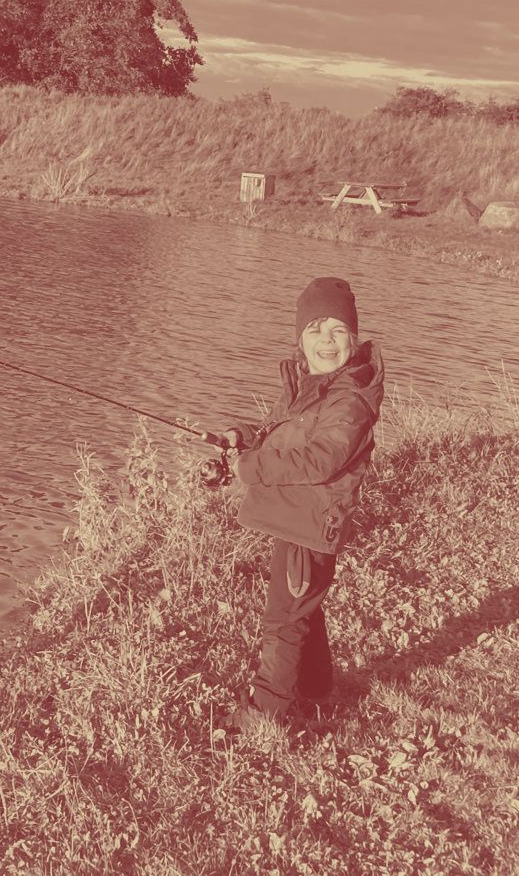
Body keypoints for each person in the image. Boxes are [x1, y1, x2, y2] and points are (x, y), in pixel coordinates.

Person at [211, 276, 384, 731]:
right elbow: (277, 430)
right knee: (302, 604)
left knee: (283, 620)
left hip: (312, 523)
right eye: (315, 329)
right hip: (296, 518)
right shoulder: (311, 385)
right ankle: (316, 689)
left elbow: (321, 457)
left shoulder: (350, 401)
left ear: (353, 338)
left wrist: (250, 468)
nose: (326, 340)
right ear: (300, 340)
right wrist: (243, 437)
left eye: (338, 330)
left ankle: (266, 713)